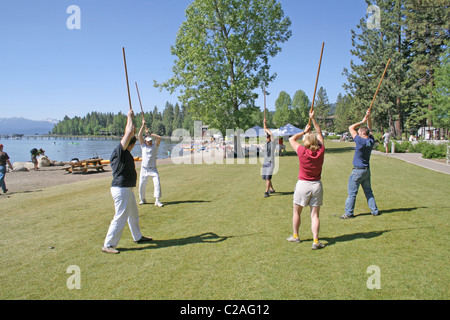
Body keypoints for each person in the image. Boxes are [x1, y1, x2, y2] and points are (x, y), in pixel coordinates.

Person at [102, 109, 153, 254]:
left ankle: (137, 236)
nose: (132, 147)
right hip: (121, 188)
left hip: (126, 189)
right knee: (120, 216)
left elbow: (129, 132)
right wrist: (129, 117)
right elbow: (128, 132)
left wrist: (132, 126)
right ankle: (109, 244)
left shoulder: (124, 152)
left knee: (133, 214)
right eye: (132, 144)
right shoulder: (119, 151)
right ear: (128, 145)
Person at [287, 111, 326, 250]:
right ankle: (315, 241)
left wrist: (303, 132)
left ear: (306, 142)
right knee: (314, 215)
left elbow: (291, 139)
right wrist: (313, 119)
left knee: (296, 212)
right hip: (316, 185)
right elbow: (320, 133)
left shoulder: (302, 151)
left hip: (303, 184)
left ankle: (296, 236)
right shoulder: (321, 151)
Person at [340, 109, 379, 219]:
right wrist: (369, 117)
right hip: (367, 170)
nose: (357, 133)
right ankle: (374, 211)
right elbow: (370, 129)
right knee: (368, 192)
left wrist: (362, 121)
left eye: (359, 132)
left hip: (358, 171)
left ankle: (348, 213)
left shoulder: (360, 141)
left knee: (352, 193)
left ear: (362, 133)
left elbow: (351, 128)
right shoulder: (370, 141)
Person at [138, 117, 163, 207]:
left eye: (150, 141)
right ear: (145, 141)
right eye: (148, 141)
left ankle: (157, 200)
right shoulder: (143, 146)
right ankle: (142, 199)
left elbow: (159, 138)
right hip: (144, 169)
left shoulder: (154, 146)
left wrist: (150, 133)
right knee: (142, 185)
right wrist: (142, 125)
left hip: (153, 169)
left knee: (157, 183)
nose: (150, 142)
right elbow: (139, 136)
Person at [262, 119, 276, 197]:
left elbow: (272, 134)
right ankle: (272, 189)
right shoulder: (266, 142)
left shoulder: (272, 143)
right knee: (266, 178)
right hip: (265, 162)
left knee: (268, 177)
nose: (267, 137)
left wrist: (267, 130)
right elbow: (265, 130)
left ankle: (266, 192)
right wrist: (264, 123)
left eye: (268, 136)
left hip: (270, 162)